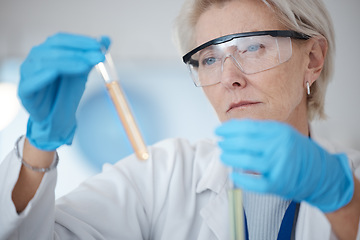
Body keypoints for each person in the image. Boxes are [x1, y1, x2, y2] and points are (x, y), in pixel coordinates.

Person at [0, 0, 359, 239]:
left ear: (312, 58)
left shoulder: (350, 177)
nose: (229, 77)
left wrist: (343, 199)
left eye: (252, 47)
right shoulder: (162, 174)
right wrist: (38, 145)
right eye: (209, 58)